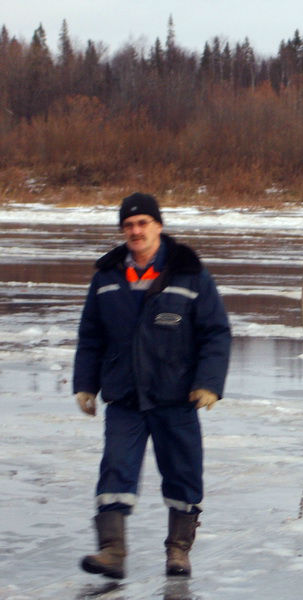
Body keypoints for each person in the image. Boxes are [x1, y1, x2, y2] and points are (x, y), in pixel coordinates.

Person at [73, 192, 231, 579]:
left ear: (158, 226)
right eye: (128, 225)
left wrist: (208, 383)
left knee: (183, 472)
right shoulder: (107, 277)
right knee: (115, 469)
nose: (135, 231)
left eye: (142, 223)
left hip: (175, 395)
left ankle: (178, 551)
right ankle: (112, 551)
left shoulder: (189, 273)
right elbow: (91, 335)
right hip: (124, 395)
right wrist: (85, 384)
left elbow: (216, 332)